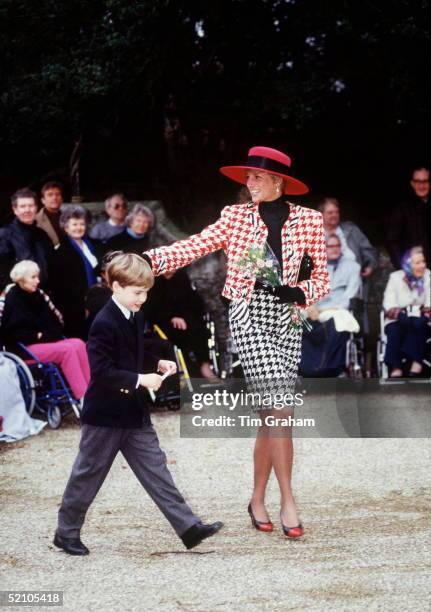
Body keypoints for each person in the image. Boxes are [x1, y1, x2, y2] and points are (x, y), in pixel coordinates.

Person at [142, 146, 330, 538]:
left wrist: (296, 294)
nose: (249, 183)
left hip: (288, 319)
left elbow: (319, 280)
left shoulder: (310, 221)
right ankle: (288, 501)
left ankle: (257, 498)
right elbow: (194, 244)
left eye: (257, 177)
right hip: (247, 316)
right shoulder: (235, 217)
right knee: (282, 408)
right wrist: (150, 261)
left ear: (278, 181)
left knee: (270, 414)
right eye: (247, 177)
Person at [53, 252, 223, 555]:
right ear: (115, 286)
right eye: (137, 292)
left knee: (157, 469)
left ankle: (188, 527)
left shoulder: (134, 314)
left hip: (134, 412)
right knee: (88, 473)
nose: (143, 298)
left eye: (146, 292)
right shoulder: (102, 322)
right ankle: (65, 532)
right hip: (105, 415)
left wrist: (156, 363)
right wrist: (140, 380)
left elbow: (133, 352)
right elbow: (103, 371)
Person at [0, 261, 90, 401]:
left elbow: (56, 321)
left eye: (38, 276)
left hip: (47, 340)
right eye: (33, 277)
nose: (38, 280)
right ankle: (84, 397)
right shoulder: (10, 298)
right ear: (21, 279)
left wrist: (44, 334)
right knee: (67, 350)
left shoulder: (39, 295)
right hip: (25, 348)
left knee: (78, 343)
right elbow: (11, 332)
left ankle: (93, 390)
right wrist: (38, 335)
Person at [300, 234, 361, 377]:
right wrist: (310, 306)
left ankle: (329, 368)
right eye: (330, 246)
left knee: (336, 322)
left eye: (337, 246)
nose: (334, 249)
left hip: (338, 308)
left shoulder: (353, 267)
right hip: (316, 310)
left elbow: (350, 295)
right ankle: (308, 367)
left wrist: (331, 309)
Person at [142, 267, 215, 379]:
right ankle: (188, 370)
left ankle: (204, 365)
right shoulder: (154, 282)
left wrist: (183, 316)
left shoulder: (182, 276)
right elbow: (152, 309)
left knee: (199, 327)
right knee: (179, 333)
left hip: (187, 318)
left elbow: (193, 301)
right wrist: (172, 317)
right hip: (164, 321)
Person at [50, 206, 103, 339]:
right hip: (78, 306)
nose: (78, 227)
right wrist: (83, 305)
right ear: (66, 228)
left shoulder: (94, 245)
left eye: (81, 224)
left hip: (100, 298)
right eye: (74, 224)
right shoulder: (61, 252)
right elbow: (63, 287)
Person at [382, 246, 430, 377]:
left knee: (420, 327)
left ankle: (416, 363)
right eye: (418, 263)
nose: (422, 265)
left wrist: (426, 315)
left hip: (421, 316)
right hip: (399, 317)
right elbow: (388, 301)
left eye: (423, 261)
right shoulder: (395, 277)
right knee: (394, 330)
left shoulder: (428, 275)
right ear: (408, 265)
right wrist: (399, 315)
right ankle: (396, 367)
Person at [0, 188, 53, 291]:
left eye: (31, 206)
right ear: (15, 210)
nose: (27, 210)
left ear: (36, 208)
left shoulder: (42, 234)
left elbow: (52, 264)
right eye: (23, 206)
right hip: (18, 295)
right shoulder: (5, 234)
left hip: (43, 293)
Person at [387, 166, 431, 268]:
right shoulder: (402, 208)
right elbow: (391, 241)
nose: (421, 186)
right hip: (414, 269)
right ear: (412, 183)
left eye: (425, 181)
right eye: (417, 182)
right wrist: (403, 267)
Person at [106, 203, 176, 254]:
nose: (142, 225)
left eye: (146, 222)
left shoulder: (151, 241)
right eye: (138, 220)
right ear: (130, 221)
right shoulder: (114, 241)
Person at [35, 181, 64, 247]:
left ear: (62, 199)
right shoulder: (36, 221)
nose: (54, 198)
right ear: (43, 200)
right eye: (50, 195)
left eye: (57, 194)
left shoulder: (68, 217)